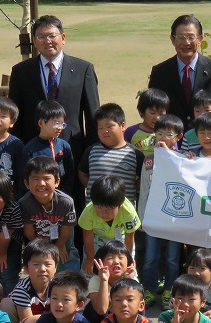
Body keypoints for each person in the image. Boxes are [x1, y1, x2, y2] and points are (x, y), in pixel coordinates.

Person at [8, 15, 99, 159]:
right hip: (32, 150)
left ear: (63, 38)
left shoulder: (83, 69)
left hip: (72, 149)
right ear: (34, 40)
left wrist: (92, 153)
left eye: (52, 35)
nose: (47, 41)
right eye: (41, 36)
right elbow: (15, 115)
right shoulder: (21, 71)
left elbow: (92, 114)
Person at [148, 14, 211, 130]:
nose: (186, 43)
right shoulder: (160, 72)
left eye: (191, 37)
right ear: (172, 39)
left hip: (205, 140)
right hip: (171, 141)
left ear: (200, 39)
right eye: (181, 37)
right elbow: (152, 111)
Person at [138, 114, 184, 306]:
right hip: (152, 218)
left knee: (173, 258)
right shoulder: (148, 160)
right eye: (159, 133)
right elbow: (143, 190)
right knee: (151, 256)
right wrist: (141, 217)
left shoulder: (183, 160)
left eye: (168, 134)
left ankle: (169, 291)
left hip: (174, 219)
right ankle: (149, 290)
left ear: (178, 137)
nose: (163, 137)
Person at [78, 103, 145, 205]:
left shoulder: (135, 154)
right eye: (100, 128)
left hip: (123, 211)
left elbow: (144, 176)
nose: (104, 131)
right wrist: (97, 189)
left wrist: (131, 188)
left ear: (122, 126)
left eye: (109, 126)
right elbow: (82, 174)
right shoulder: (91, 151)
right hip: (94, 211)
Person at [18, 155, 78, 270]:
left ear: (57, 181)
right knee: (41, 260)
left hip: (62, 236)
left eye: (46, 178)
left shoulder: (66, 202)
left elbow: (67, 227)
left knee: (66, 256)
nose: (41, 183)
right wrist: (42, 248)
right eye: (35, 179)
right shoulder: (25, 203)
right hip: (37, 238)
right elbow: (28, 230)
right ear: (26, 183)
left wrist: (60, 245)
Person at [78, 176, 140, 274]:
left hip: (121, 239)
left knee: (127, 272)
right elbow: (88, 237)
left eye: (110, 208)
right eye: (99, 207)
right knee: (90, 271)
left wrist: (127, 259)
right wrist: (90, 258)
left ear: (120, 205)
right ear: (94, 204)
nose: (104, 213)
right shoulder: (88, 213)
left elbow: (129, 237)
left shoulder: (129, 212)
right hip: (96, 239)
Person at [20, 99, 75, 198]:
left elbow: (70, 173)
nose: (60, 127)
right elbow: (25, 177)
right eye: (56, 122)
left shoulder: (64, 146)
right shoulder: (30, 149)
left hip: (61, 197)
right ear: (41, 123)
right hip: (37, 197)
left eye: (62, 123)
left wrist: (66, 193)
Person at [7, 238, 59, 323]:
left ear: (56, 268)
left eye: (48, 264)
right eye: (36, 264)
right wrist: (53, 317)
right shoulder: (22, 290)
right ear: (26, 269)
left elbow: (66, 314)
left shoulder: (58, 287)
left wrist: (39, 318)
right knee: (6, 304)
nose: (42, 269)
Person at [125, 88, 170, 157]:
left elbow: (174, 154)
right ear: (141, 111)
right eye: (152, 113)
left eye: (161, 114)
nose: (157, 117)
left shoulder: (169, 133)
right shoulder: (131, 132)